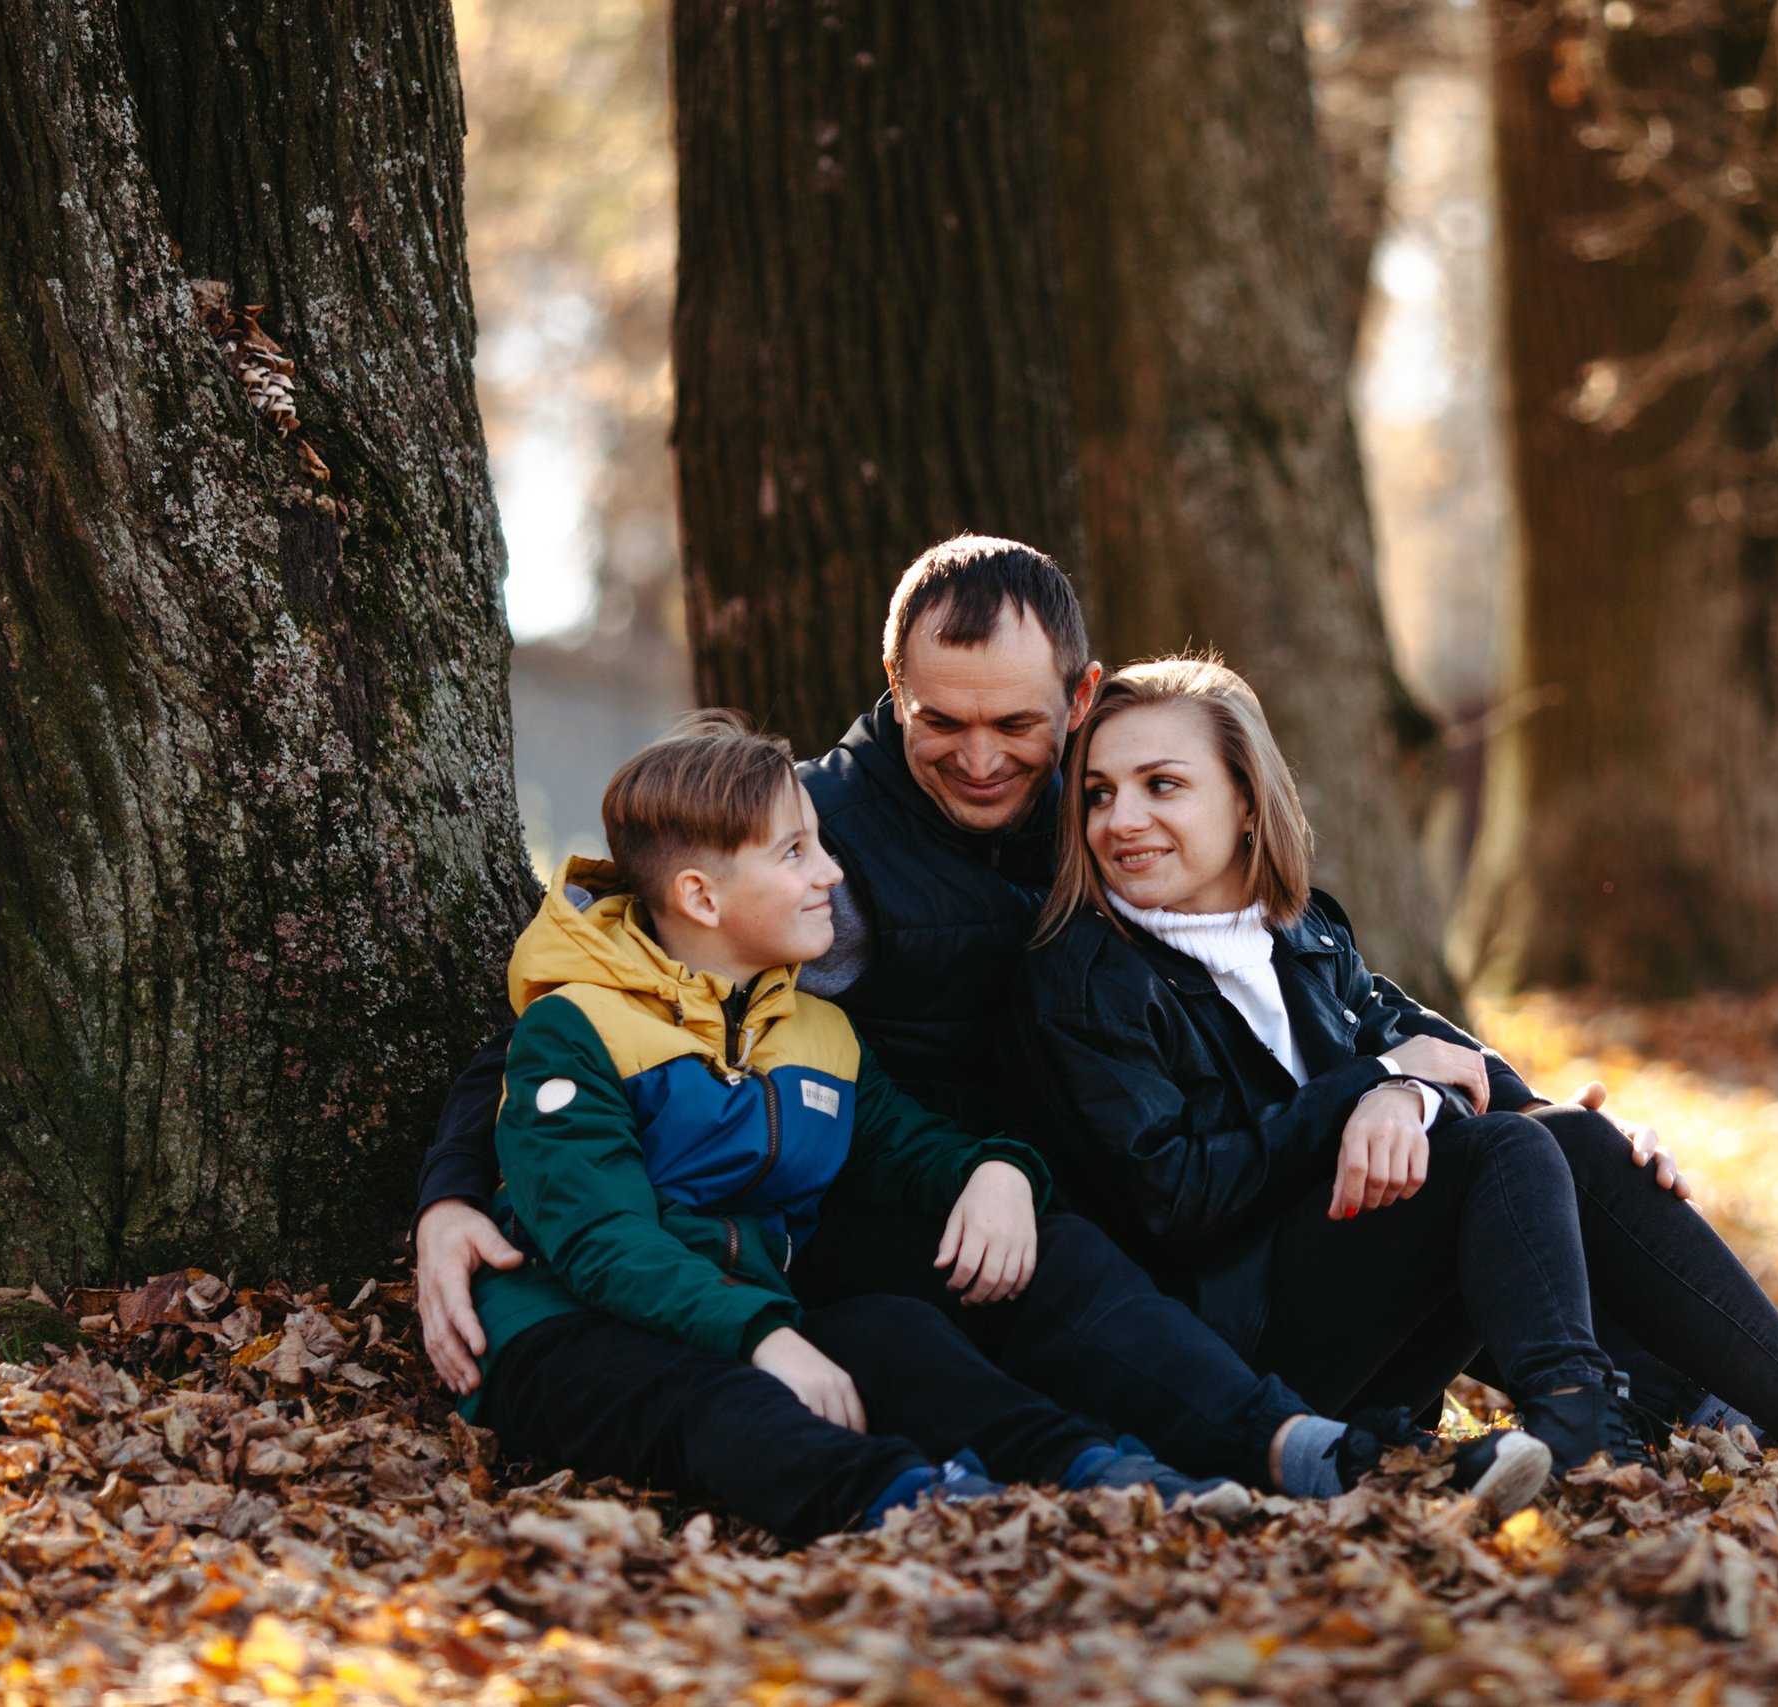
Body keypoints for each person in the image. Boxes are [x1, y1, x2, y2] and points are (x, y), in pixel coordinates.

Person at [418, 538, 1548, 1510]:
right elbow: (581, 1009)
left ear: (1078, 697)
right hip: (877, 1211)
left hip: (1111, 1165)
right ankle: (1245, 1460)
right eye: (941, 721)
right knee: (1022, 1282)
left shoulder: (1109, 796)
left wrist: (1492, 1088)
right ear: (894, 687)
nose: (979, 756)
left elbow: (1306, 958)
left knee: (1517, 1154)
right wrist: (451, 1197)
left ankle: (1557, 1417)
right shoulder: (817, 845)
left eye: (1015, 722)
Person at [1008, 656, 1778, 1478]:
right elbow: (1174, 1198)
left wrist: (1583, 1134)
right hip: (1234, 1362)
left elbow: (1438, 1052)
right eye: (1099, 793)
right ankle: (1580, 1420)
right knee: (1500, 1152)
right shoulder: (1088, 977)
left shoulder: (1303, 935)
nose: (1121, 819)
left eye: (1162, 785)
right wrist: (1369, 1089)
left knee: (1558, 1137)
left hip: (1359, 1322)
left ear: (1248, 800)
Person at [467, 711, 1260, 1539]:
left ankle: (1103, 1474)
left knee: (896, 1333)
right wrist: (764, 1336)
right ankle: (927, 1511)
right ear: (700, 895)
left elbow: (903, 1147)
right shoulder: (575, 1028)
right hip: (559, 1326)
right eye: (795, 852)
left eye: (820, 843)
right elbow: (604, 1240)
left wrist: (997, 1170)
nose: (832, 873)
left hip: (747, 1310)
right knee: (729, 1399)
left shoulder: (814, 1029)